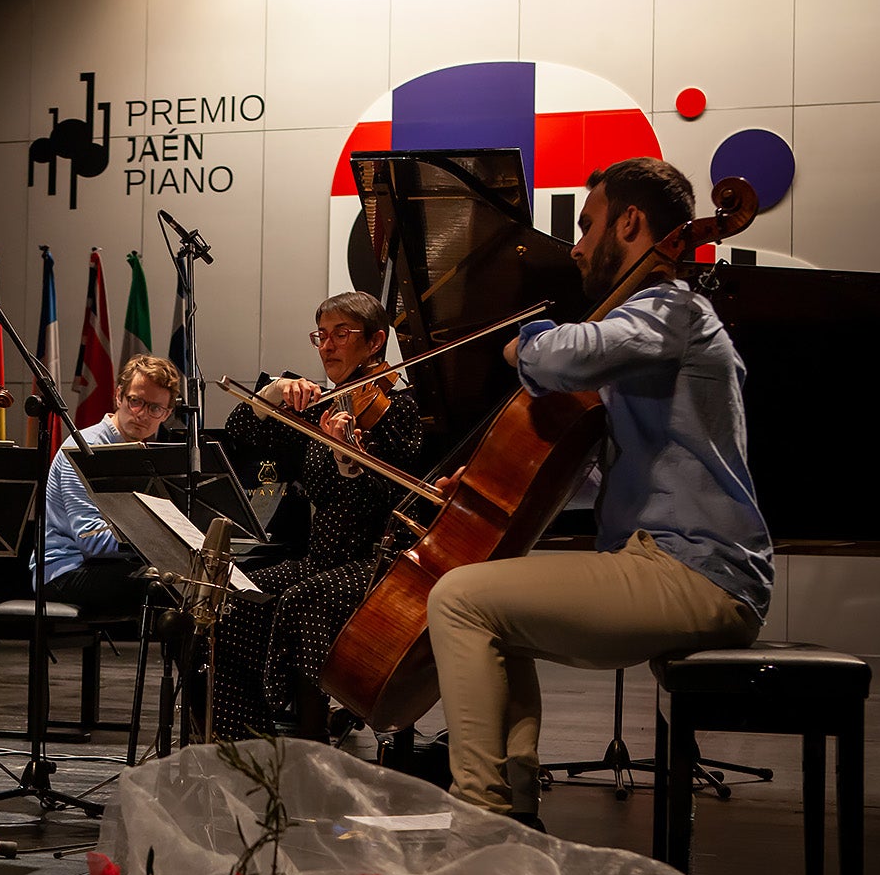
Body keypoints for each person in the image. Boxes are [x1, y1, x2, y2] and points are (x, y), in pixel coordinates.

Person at [427, 157, 774, 828]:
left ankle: (477, 817)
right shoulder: (662, 329)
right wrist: (480, 488)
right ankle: (513, 817)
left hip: (694, 572)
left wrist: (523, 345)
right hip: (668, 564)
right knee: (496, 610)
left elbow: (565, 356)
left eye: (586, 226)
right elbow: (598, 484)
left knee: (459, 598)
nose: (578, 246)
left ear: (631, 221)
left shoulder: (673, 307)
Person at [209, 291, 424, 741]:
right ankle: (245, 748)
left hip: (380, 563)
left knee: (305, 601)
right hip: (322, 559)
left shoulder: (400, 410)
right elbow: (239, 437)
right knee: (231, 599)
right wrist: (269, 393)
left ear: (375, 342)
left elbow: (399, 498)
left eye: (340, 334)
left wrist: (350, 462)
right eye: (320, 336)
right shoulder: (322, 407)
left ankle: (313, 741)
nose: (326, 346)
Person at [38, 354, 183, 614]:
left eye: (155, 409)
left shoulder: (143, 453)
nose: (142, 415)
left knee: (198, 584)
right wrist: (162, 544)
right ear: (119, 396)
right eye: (135, 401)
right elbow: (90, 540)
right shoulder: (85, 448)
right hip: (65, 569)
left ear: (167, 414)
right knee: (174, 588)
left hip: (107, 565)